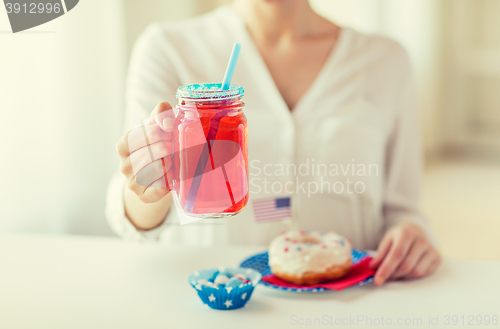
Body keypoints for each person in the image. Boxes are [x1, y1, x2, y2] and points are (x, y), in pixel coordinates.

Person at [107, 0, 441, 286]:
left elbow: (403, 211)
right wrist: (148, 184)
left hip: (343, 305)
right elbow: (135, 221)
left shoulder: (386, 60)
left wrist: (410, 233)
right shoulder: (167, 48)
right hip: (218, 303)